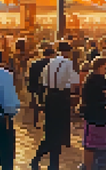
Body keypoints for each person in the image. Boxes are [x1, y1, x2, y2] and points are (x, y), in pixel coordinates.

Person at [31, 41, 80, 170]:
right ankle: (47, 160)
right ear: (67, 52)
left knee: (51, 130)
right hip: (62, 98)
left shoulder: (50, 63)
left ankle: (50, 162)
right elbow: (75, 82)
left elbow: (43, 80)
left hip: (50, 98)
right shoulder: (68, 64)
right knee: (58, 132)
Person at [79, 57, 106, 170]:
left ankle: (92, 165)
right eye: (105, 66)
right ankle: (87, 166)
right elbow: (93, 98)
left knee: (95, 145)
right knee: (90, 145)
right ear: (100, 66)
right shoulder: (93, 79)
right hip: (94, 115)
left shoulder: (98, 78)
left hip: (99, 116)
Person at [28, 48, 55, 128]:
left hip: (37, 88)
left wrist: (31, 89)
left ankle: (36, 122)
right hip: (49, 88)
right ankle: (48, 123)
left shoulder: (35, 64)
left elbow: (31, 77)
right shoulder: (53, 64)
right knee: (49, 107)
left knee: (37, 107)